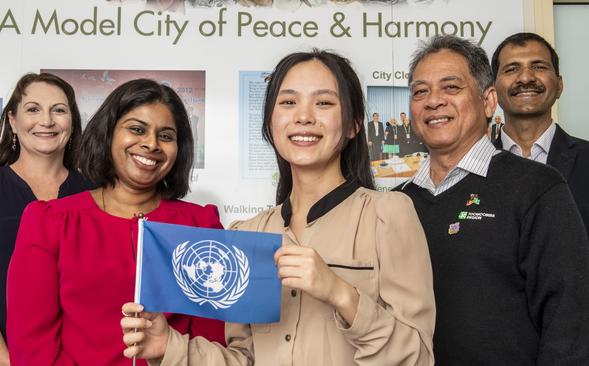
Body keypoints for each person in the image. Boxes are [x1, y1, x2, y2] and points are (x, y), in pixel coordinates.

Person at [120, 50, 435, 365]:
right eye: (288, 102)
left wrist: (341, 293)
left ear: (353, 124)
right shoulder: (248, 234)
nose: (303, 116)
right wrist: (169, 347)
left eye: (323, 102)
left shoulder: (389, 214)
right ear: (270, 121)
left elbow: (418, 358)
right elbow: (244, 358)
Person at [396, 35, 589, 365]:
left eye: (451, 87)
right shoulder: (397, 203)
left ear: (489, 101)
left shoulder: (537, 187)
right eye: (420, 91)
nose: (433, 101)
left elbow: (570, 320)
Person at [6, 79, 225, 365]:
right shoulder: (51, 222)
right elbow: (32, 348)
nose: (151, 144)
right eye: (137, 129)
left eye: (166, 136)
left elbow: (213, 342)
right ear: (108, 134)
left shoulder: (201, 226)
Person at [0, 73, 90, 366]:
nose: (47, 120)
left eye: (59, 110)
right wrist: (7, 363)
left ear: (72, 123)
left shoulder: (94, 194)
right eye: (33, 109)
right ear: (13, 121)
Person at [491, 31, 589, 363]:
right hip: (494, 352)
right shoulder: (469, 170)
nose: (526, 77)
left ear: (559, 84)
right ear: (493, 90)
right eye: (511, 69)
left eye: (538, 67)